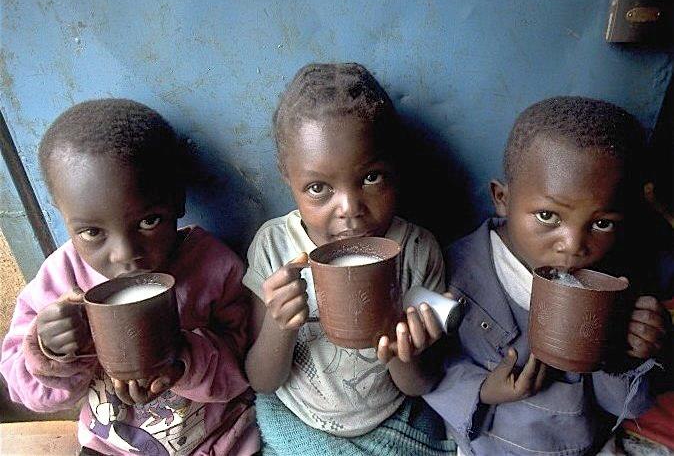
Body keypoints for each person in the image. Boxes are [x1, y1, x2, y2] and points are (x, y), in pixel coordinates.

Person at [1, 99, 258, 455]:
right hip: (111, 448)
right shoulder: (61, 277)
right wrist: (52, 351)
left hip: (219, 442)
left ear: (177, 201)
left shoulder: (214, 267)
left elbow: (246, 370)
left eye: (148, 222)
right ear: (63, 216)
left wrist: (181, 360)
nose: (125, 254)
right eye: (92, 232)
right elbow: (25, 391)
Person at [425, 96, 669, 456]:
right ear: (502, 198)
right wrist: (482, 389)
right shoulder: (457, 269)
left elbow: (626, 408)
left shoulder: (614, 283)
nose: (573, 246)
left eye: (602, 224)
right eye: (548, 216)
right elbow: (429, 372)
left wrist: (628, 358)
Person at [244, 63, 456, 455]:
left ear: (395, 167)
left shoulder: (417, 250)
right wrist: (280, 324)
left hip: (391, 421)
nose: (349, 208)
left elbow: (420, 385)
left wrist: (403, 350)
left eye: (371, 178)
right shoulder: (275, 247)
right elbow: (262, 380)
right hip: (300, 422)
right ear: (288, 178)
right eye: (318, 188)